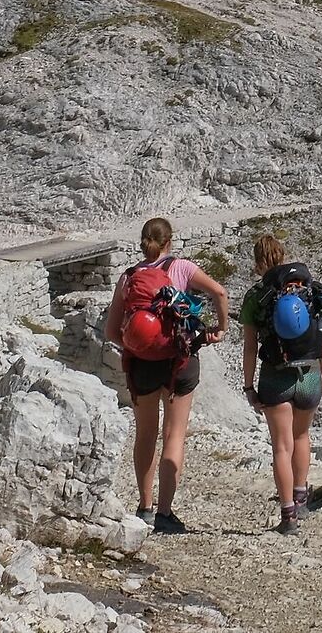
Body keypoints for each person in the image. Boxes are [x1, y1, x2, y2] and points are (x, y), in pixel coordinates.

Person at [105, 217, 228, 534]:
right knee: (173, 436)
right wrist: (220, 329)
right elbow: (220, 293)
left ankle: (144, 508)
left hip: (142, 365)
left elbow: (111, 330)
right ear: (169, 242)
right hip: (180, 362)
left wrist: (137, 346)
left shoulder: (129, 277)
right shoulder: (183, 268)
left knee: (145, 434)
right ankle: (165, 513)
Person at [243, 234, 322, 535]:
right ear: (283, 255)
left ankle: (288, 517)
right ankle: (302, 500)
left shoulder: (256, 297)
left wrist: (249, 387)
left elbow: (249, 347)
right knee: (301, 436)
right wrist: (321, 371)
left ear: (259, 262)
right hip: (310, 373)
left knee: (281, 447)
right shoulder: (308, 291)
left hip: (276, 376)